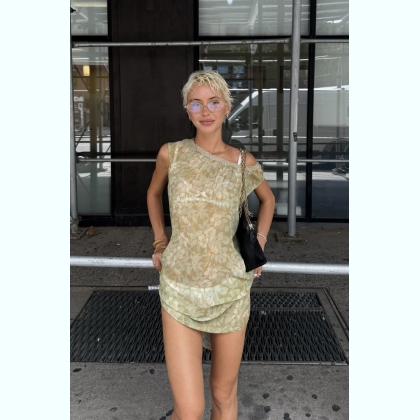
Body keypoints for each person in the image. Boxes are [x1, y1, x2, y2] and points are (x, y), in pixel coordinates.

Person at [147, 70, 275, 420]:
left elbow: (268, 200)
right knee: (189, 410)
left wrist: (258, 245)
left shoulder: (242, 162)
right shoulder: (172, 154)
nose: (205, 111)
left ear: (227, 107)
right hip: (179, 286)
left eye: (214, 102)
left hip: (231, 288)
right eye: (196, 103)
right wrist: (160, 240)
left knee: (223, 395)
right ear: (187, 110)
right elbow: (153, 194)